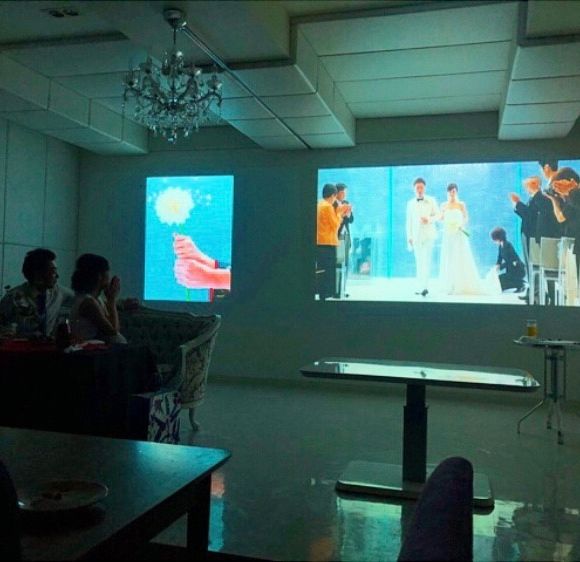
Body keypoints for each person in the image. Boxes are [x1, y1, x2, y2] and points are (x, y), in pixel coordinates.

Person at [0, 248, 74, 337]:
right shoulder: (12, 298)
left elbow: (78, 299)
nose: (57, 276)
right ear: (38, 274)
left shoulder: (59, 293)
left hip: (49, 344)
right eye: (53, 271)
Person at [509, 175, 561, 302]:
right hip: (529, 236)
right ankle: (533, 291)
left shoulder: (541, 198)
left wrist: (518, 203)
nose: (526, 187)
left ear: (535, 184)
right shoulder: (534, 198)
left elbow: (530, 216)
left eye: (528, 185)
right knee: (530, 266)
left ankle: (537, 293)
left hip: (534, 237)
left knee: (534, 265)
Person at [69, 254, 127, 344]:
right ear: (99, 275)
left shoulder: (96, 299)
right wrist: (112, 300)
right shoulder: (88, 302)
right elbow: (113, 331)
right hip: (93, 350)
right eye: (107, 271)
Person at [438, 183, 482, 295]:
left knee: (460, 255)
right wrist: (442, 218)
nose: (452, 193)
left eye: (454, 191)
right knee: (449, 257)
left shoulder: (461, 204)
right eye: (450, 191)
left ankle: (461, 284)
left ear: (457, 192)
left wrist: (461, 224)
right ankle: (449, 285)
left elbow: (466, 217)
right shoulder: (443, 205)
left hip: (459, 233)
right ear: (447, 192)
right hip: (448, 234)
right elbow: (441, 218)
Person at [544, 167, 580, 275]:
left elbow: (560, 217)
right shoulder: (571, 200)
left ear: (571, 181)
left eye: (559, 186)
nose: (559, 191)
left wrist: (569, 193)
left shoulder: (574, 199)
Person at [406, 178, 438, 296]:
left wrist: (428, 219)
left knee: (427, 261)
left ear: (425, 188)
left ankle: (425, 286)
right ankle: (420, 286)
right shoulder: (410, 203)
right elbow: (408, 221)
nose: (419, 189)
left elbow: (438, 215)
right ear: (414, 189)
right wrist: (409, 236)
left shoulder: (431, 200)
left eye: (421, 187)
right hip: (416, 236)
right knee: (419, 261)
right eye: (417, 187)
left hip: (429, 235)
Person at [316, 184, 348, 300]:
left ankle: (321, 294)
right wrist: (340, 214)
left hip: (319, 241)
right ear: (333, 195)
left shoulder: (319, 204)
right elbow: (335, 225)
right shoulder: (328, 207)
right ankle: (325, 294)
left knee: (321, 269)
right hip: (328, 242)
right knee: (328, 270)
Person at [333, 183, 354, 297]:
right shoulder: (333, 204)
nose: (345, 195)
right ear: (338, 193)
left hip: (346, 236)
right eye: (343, 192)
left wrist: (348, 214)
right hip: (339, 236)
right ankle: (337, 290)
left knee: (346, 263)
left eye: (345, 193)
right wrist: (342, 214)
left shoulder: (346, 203)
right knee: (339, 263)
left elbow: (351, 220)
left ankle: (343, 289)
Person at [490, 227, 526, 292]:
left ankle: (520, 284)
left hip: (517, 270)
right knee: (499, 281)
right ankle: (519, 283)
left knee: (502, 281)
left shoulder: (508, 245)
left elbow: (510, 261)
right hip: (510, 269)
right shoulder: (501, 246)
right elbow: (499, 257)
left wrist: (501, 267)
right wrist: (497, 264)